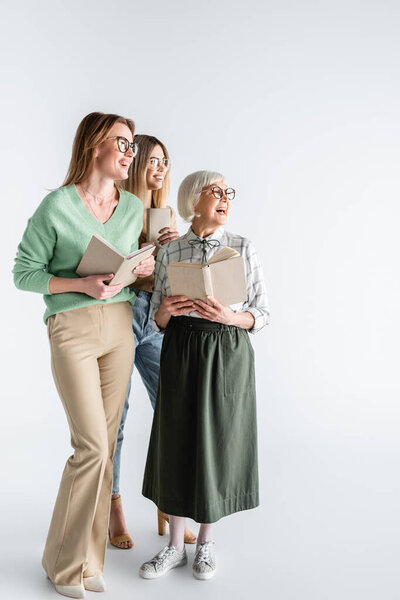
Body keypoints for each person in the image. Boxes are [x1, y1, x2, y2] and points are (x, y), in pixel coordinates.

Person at [13, 112, 154, 598]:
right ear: (95, 144)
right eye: (122, 143)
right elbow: (23, 273)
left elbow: (130, 267)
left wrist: (142, 266)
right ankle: (63, 566)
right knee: (91, 446)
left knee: (107, 446)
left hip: (119, 327)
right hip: (71, 325)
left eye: (133, 146)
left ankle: (88, 561)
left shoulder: (133, 207)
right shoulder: (55, 206)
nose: (129, 153)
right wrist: (79, 283)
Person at [139, 170, 269, 581]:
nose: (225, 198)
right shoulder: (172, 249)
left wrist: (231, 315)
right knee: (177, 439)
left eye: (227, 192)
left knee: (219, 441)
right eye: (215, 192)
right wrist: (168, 310)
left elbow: (262, 313)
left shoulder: (242, 246)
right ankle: (175, 546)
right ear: (193, 201)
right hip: (180, 347)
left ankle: (206, 544)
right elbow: (156, 317)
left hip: (227, 350)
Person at [109, 134, 197, 549]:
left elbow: (170, 278)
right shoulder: (117, 210)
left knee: (174, 409)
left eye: (165, 161)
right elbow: (111, 272)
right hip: (122, 314)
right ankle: (114, 507)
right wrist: (147, 250)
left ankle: (168, 504)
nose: (160, 168)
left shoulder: (166, 216)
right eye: (153, 160)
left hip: (158, 319)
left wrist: (174, 250)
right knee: (116, 419)